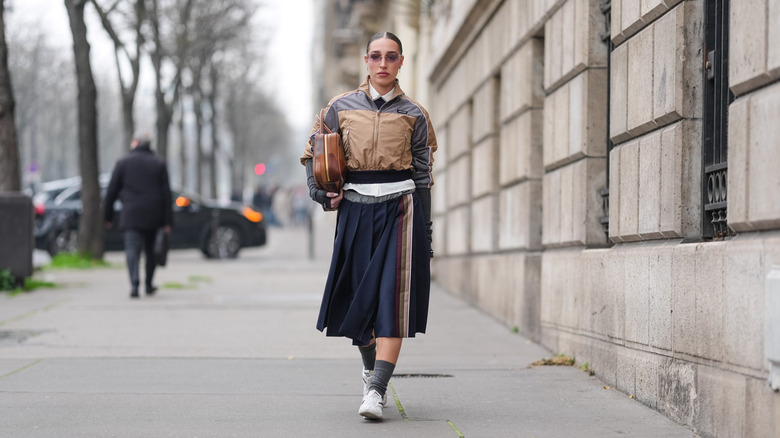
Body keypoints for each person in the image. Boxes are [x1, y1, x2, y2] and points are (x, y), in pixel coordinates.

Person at [300, 31, 437, 420]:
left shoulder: (415, 114)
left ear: (401, 62)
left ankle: (375, 391)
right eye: (376, 56)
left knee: (393, 303)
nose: (382, 64)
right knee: (359, 303)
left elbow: (424, 177)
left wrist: (426, 233)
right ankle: (369, 371)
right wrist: (321, 194)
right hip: (356, 211)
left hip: (402, 211)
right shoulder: (338, 107)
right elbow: (313, 155)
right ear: (365, 60)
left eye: (390, 57)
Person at [104, 131, 173, 299]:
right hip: (153, 216)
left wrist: (108, 216)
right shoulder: (158, 163)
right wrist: (167, 221)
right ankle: (148, 284)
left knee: (132, 250)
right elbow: (166, 195)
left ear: (136, 142)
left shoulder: (123, 163)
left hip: (131, 215)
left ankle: (134, 284)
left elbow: (111, 192)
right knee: (151, 251)